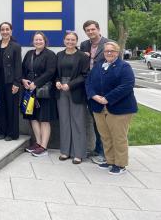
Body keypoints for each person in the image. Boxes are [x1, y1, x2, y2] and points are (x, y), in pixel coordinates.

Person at [86, 41, 138, 175]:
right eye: (106, 51)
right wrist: (93, 95)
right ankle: (110, 160)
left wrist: (107, 98)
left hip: (120, 108)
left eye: (112, 51)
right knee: (106, 136)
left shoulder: (124, 66)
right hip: (98, 106)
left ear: (117, 52)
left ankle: (120, 164)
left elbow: (127, 85)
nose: (109, 53)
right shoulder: (98, 66)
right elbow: (88, 82)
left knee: (118, 137)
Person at [55, 31, 90, 164]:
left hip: (76, 90)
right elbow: (56, 73)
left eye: (73, 40)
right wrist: (57, 81)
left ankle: (78, 153)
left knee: (77, 121)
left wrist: (70, 85)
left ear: (76, 41)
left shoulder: (82, 56)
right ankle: (65, 151)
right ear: (64, 41)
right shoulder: (59, 55)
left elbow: (84, 75)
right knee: (64, 121)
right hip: (61, 91)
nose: (70, 42)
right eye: (68, 39)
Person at [80, 20, 111, 165]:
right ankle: (98, 149)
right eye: (88, 30)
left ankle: (106, 153)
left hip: (103, 88)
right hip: (89, 88)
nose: (90, 32)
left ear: (98, 29)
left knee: (105, 123)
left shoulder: (108, 44)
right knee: (95, 121)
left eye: (93, 29)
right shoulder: (84, 45)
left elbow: (115, 66)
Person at [22, 32, 57, 157]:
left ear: (45, 41)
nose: (38, 42)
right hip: (30, 91)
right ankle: (37, 143)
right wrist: (23, 80)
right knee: (33, 118)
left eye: (40, 40)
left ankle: (44, 146)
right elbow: (22, 70)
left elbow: (50, 72)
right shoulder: (29, 54)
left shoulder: (50, 55)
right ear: (33, 41)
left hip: (44, 92)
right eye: (36, 40)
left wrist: (36, 83)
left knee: (44, 119)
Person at [0, 22, 22, 141]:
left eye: (7, 29)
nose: (5, 32)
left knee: (11, 107)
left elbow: (18, 66)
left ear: (11, 31)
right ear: (0, 31)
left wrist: (17, 83)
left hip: (10, 81)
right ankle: (1, 131)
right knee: (0, 106)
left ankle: (11, 133)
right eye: (2, 29)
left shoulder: (16, 46)